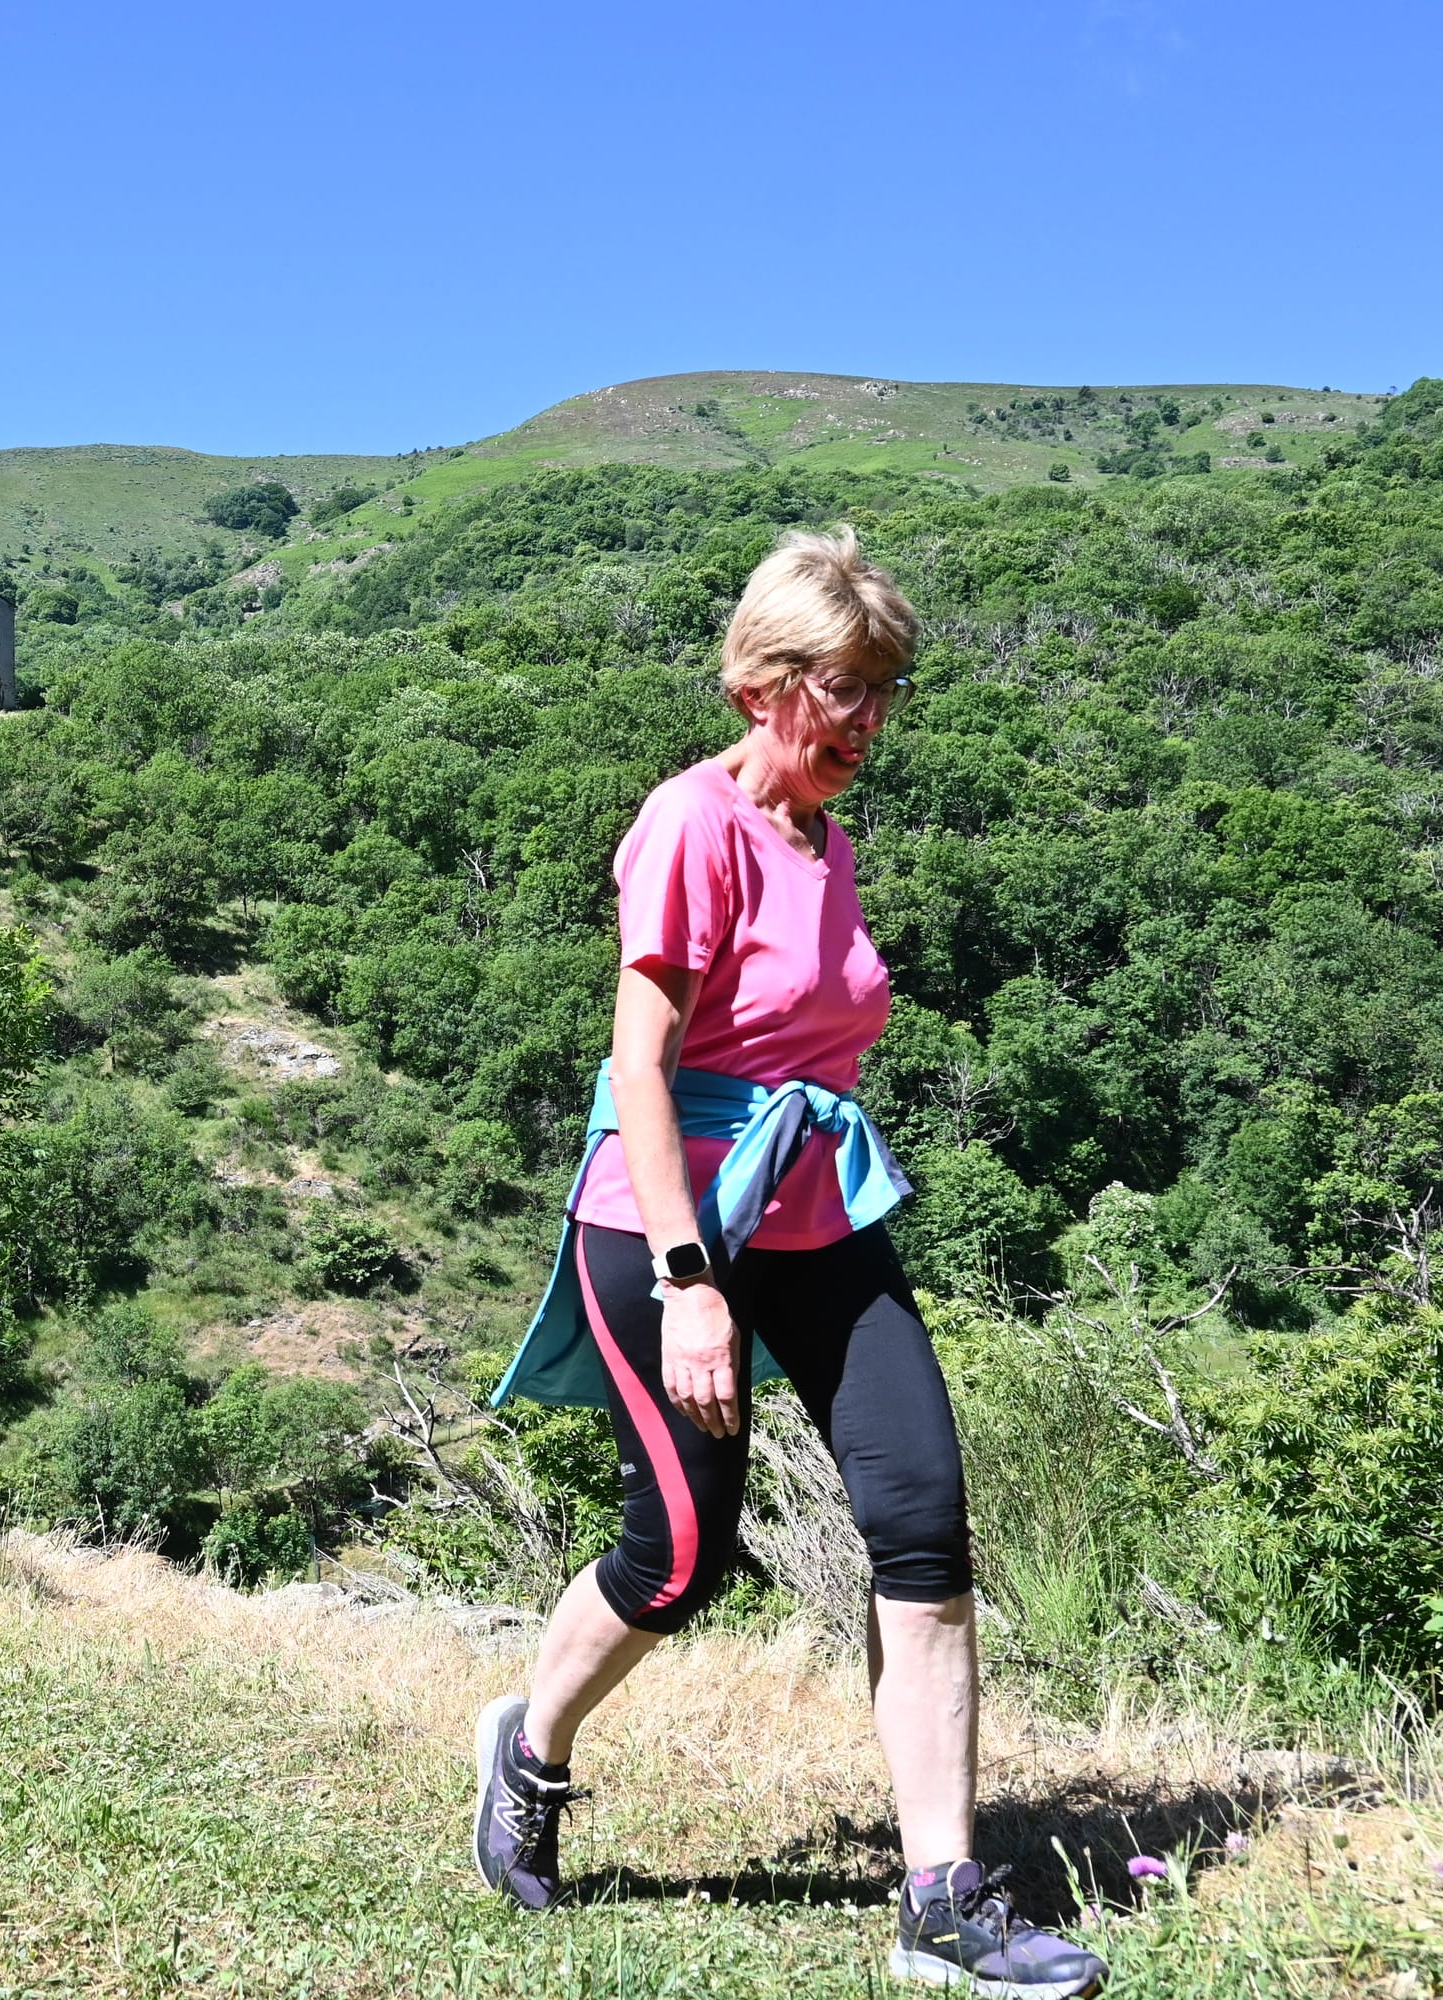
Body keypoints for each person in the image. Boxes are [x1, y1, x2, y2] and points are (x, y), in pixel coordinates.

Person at [471, 529, 1107, 1998]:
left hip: (818, 1211)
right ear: (764, 683)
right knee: (681, 1554)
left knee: (922, 1525)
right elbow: (642, 1060)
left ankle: (944, 1897)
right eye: (844, 690)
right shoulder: (690, 823)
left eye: (885, 693)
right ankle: (533, 1747)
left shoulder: (833, 844)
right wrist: (693, 1277)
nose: (868, 723)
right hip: (666, 1216)